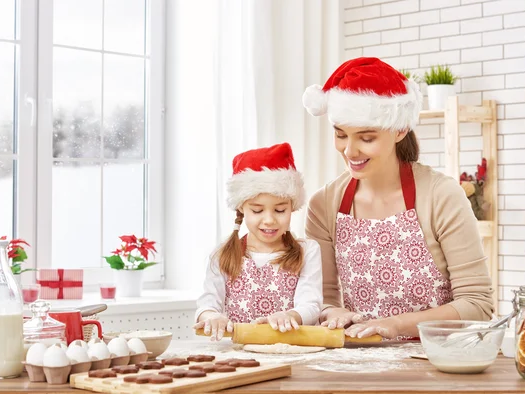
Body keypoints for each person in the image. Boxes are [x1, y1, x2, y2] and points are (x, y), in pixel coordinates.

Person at [301, 57, 494, 340]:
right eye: (341, 135)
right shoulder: (324, 204)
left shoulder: (441, 196)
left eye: (366, 138)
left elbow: (477, 304)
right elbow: (322, 299)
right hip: (359, 364)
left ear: (400, 129)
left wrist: (396, 325)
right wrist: (333, 313)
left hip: (438, 361)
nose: (350, 151)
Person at [193, 142, 323, 341]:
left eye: (280, 210)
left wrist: (290, 315)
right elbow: (207, 304)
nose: (269, 219)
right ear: (241, 208)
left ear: (292, 208)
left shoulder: (308, 251)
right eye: (257, 210)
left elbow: (311, 305)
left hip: (291, 353)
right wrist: (212, 316)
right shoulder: (222, 255)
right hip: (237, 355)